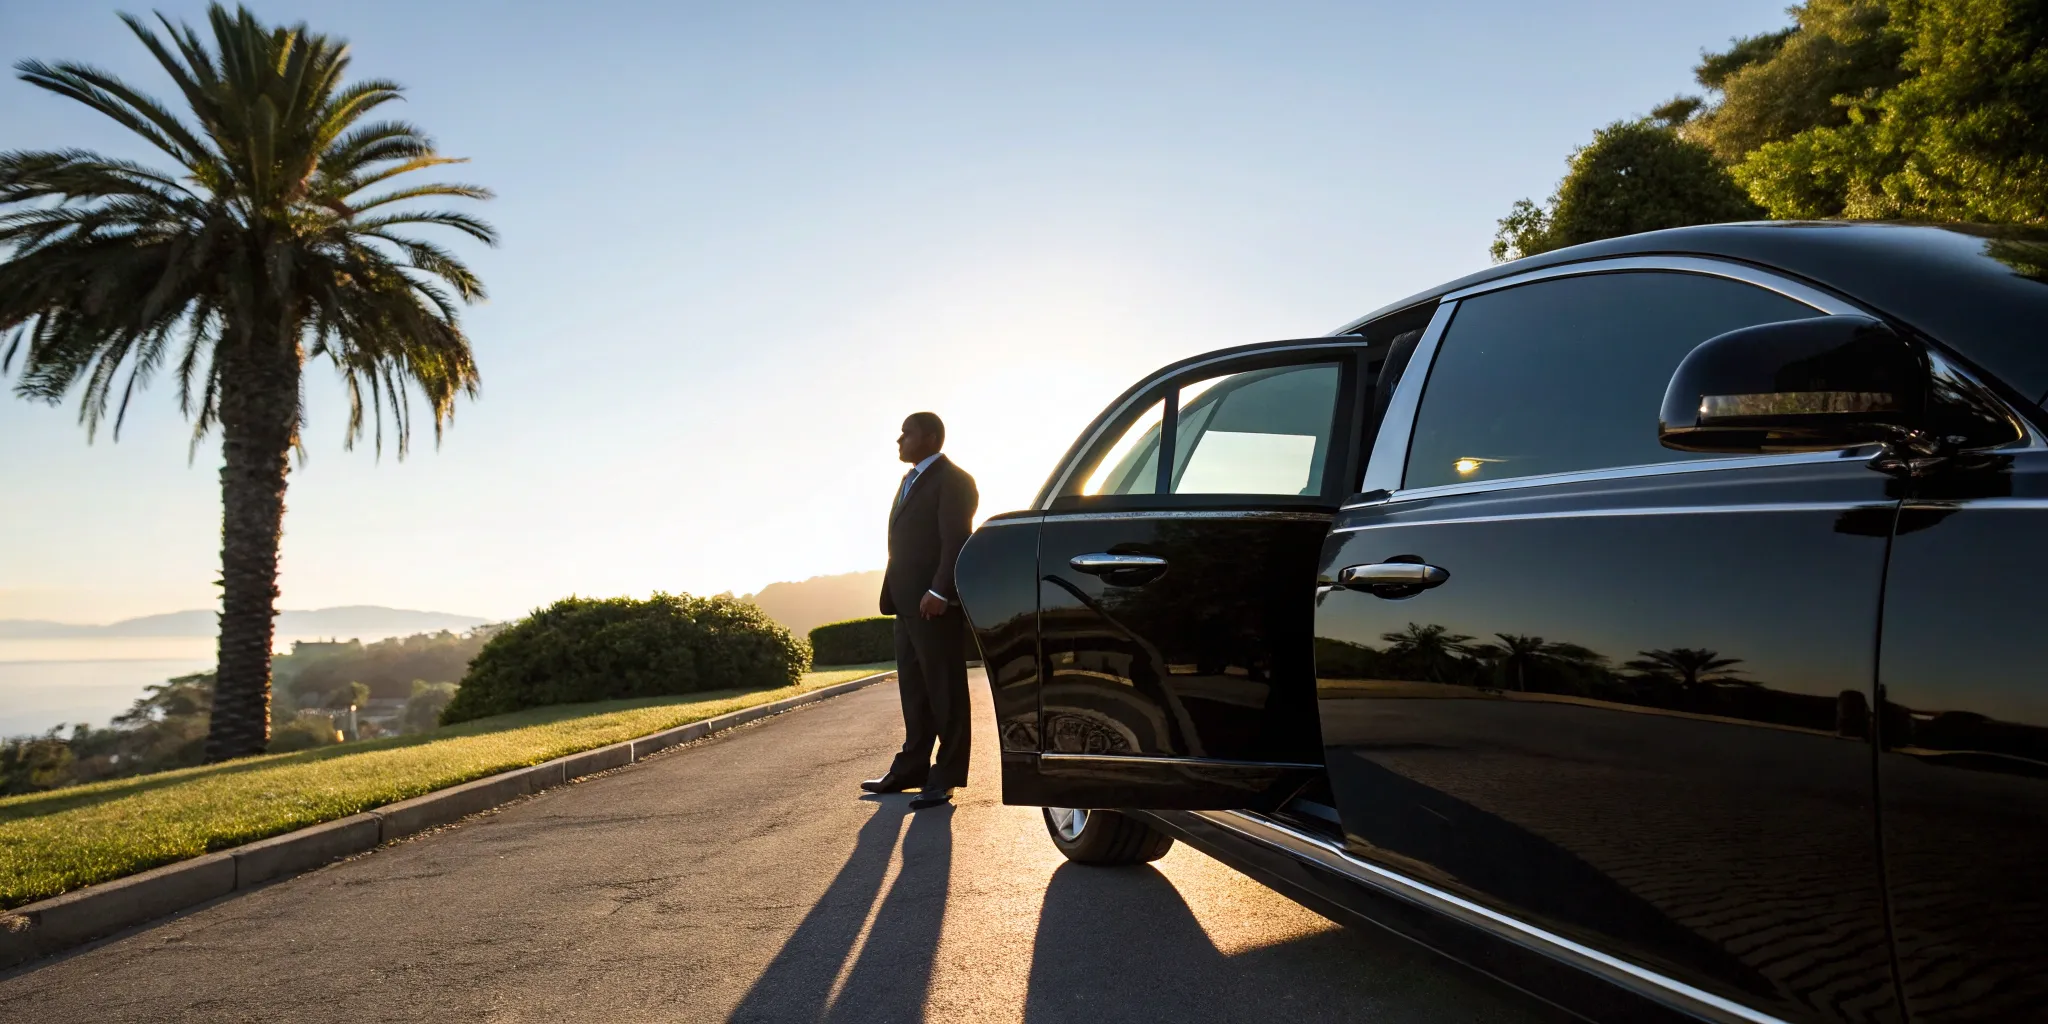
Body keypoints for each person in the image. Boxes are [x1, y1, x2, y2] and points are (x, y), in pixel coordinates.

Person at [861, 411, 978, 810]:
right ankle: (911, 767)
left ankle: (944, 776)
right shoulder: (908, 481)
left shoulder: (954, 480)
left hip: (934, 604)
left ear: (930, 437)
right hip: (905, 603)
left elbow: (956, 539)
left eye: (906, 434)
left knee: (945, 691)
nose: (899, 440)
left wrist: (940, 591)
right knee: (914, 690)